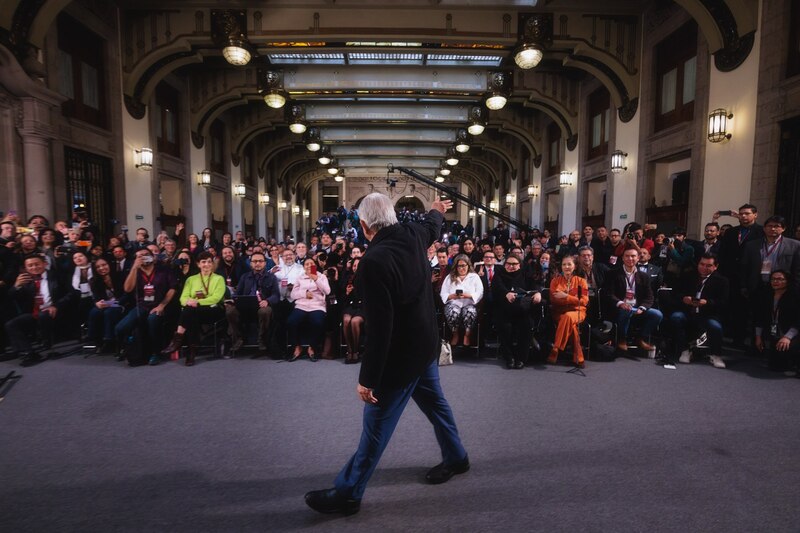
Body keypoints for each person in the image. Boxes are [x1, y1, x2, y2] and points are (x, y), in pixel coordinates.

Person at [304, 193, 468, 516]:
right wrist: (436, 209)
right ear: (392, 217)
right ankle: (457, 457)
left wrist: (368, 379)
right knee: (437, 405)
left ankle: (349, 493)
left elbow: (381, 330)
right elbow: (433, 225)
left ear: (364, 226)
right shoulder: (413, 233)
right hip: (425, 346)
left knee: (375, 427)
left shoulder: (374, 262)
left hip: (402, 358)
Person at [3, 254, 71, 366]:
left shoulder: (57, 276)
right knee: (10, 324)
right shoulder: (25, 279)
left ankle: (46, 341)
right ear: (26, 268)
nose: (34, 267)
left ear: (45, 263)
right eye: (30, 266)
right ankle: (29, 352)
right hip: (33, 313)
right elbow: (12, 296)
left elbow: (71, 294)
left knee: (43, 315)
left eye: (37, 264)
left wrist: (56, 306)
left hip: (55, 311)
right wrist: (17, 286)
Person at [161, 251, 226, 366]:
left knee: (189, 311)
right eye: (203, 262)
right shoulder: (191, 279)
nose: (207, 264)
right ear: (198, 264)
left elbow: (216, 298)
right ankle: (192, 351)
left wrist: (197, 302)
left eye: (209, 262)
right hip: (194, 311)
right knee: (191, 314)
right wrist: (189, 302)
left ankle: (178, 340)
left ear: (213, 264)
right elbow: (183, 298)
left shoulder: (219, 278)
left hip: (214, 310)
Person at [116, 248, 176, 365]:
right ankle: (129, 349)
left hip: (161, 305)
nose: (144, 257)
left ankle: (155, 353)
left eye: (146, 255)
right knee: (120, 327)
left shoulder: (163, 270)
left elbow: (172, 288)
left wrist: (161, 305)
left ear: (153, 257)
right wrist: (134, 268)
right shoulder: (135, 272)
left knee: (152, 320)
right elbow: (128, 289)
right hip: (142, 305)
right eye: (140, 256)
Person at [669, 254, 729, 368]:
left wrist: (707, 302)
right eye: (701, 264)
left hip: (709, 314)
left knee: (715, 326)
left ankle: (715, 354)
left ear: (715, 267)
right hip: (688, 312)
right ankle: (685, 350)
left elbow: (723, 302)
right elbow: (674, 294)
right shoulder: (688, 276)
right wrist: (684, 299)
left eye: (708, 265)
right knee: (676, 317)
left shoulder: (722, 281)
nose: (704, 268)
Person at [606, 248, 663, 353]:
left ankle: (641, 338)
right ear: (622, 258)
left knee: (657, 314)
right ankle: (622, 339)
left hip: (637, 307)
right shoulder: (613, 273)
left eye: (633, 256)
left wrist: (642, 308)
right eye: (627, 256)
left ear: (637, 258)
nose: (630, 258)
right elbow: (609, 294)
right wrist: (621, 303)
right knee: (626, 310)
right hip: (619, 308)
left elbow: (649, 297)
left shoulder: (644, 276)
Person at [225, 251, 280, 356]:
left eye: (260, 261)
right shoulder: (244, 277)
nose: (257, 263)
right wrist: (233, 300)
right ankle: (239, 339)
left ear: (265, 263)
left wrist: (267, 301)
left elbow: (276, 295)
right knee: (230, 311)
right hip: (245, 307)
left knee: (265, 311)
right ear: (250, 263)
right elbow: (237, 294)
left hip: (261, 306)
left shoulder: (271, 277)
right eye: (254, 261)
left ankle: (262, 340)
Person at [493, 254, 541, 369]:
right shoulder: (499, 274)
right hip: (505, 309)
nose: (511, 266)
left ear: (519, 265)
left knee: (527, 325)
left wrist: (538, 293)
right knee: (505, 327)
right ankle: (509, 358)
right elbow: (497, 288)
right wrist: (506, 293)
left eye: (514, 264)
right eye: (508, 264)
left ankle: (521, 358)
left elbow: (535, 286)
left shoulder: (525, 274)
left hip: (522, 310)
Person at [753, 270, 800, 373]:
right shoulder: (766, 295)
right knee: (775, 366)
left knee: (788, 349)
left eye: (780, 279)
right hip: (774, 332)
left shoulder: (794, 296)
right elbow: (759, 317)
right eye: (773, 279)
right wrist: (758, 337)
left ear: (787, 281)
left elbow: (798, 320)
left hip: (792, 333)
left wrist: (787, 337)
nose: (775, 281)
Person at [547, 255, 589, 367]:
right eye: (564, 264)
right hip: (559, 313)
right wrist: (574, 299)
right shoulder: (555, 281)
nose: (566, 267)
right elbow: (554, 301)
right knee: (572, 325)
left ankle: (556, 348)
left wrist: (566, 296)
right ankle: (578, 356)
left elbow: (584, 301)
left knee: (569, 317)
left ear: (574, 266)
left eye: (569, 264)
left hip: (578, 312)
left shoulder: (581, 282)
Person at [286, 257, 331, 361]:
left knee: (318, 322)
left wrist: (316, 279)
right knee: (291, 322)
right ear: (303, 267)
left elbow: (327, 291)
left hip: (317, 305)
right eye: (306, 264)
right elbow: (293, 294)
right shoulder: (300, 277)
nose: (309, 266)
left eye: (311, 263)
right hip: (302, 305)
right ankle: (297, 347)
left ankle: (312, 347)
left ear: (315, 265)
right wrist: (304, 294)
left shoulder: (322, 276)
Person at [439, 254, 484, 347]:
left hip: (469, 303)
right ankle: (455, 334)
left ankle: (467, 334)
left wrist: (470, 296)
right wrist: (451, 296)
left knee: (470, 312)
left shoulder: (474, 277)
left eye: (464, 265)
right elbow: (443, 293)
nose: (461, 268)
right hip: (454, 303)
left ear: (468, 266)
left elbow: (480, 292)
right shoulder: (449, 277)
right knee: (453, 312)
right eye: (459, 266)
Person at [87, 257, 127, 354]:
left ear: (109, 265)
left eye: (104, 265)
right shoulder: (94, 281)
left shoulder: (120, 276)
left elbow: (127, 295)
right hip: (106, 305)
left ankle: (109, 340)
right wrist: (97, 303)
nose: (101, 268)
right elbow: (96, 298)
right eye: (98, 267)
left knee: (109, 312)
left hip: (121, 303)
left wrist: (110, 303)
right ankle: (97, 341)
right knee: (94, 312)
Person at [340, 257, 365, 364]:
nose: (356, 268)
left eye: (358, 265)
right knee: (346, 321)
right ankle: (349, 351)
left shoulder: (367, 278)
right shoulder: (348, 278)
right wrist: (347, 292)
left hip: (363, 306)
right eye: (354, 265)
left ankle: (356, 351)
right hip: (351, 306)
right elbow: (342, 299)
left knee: (355, 322)